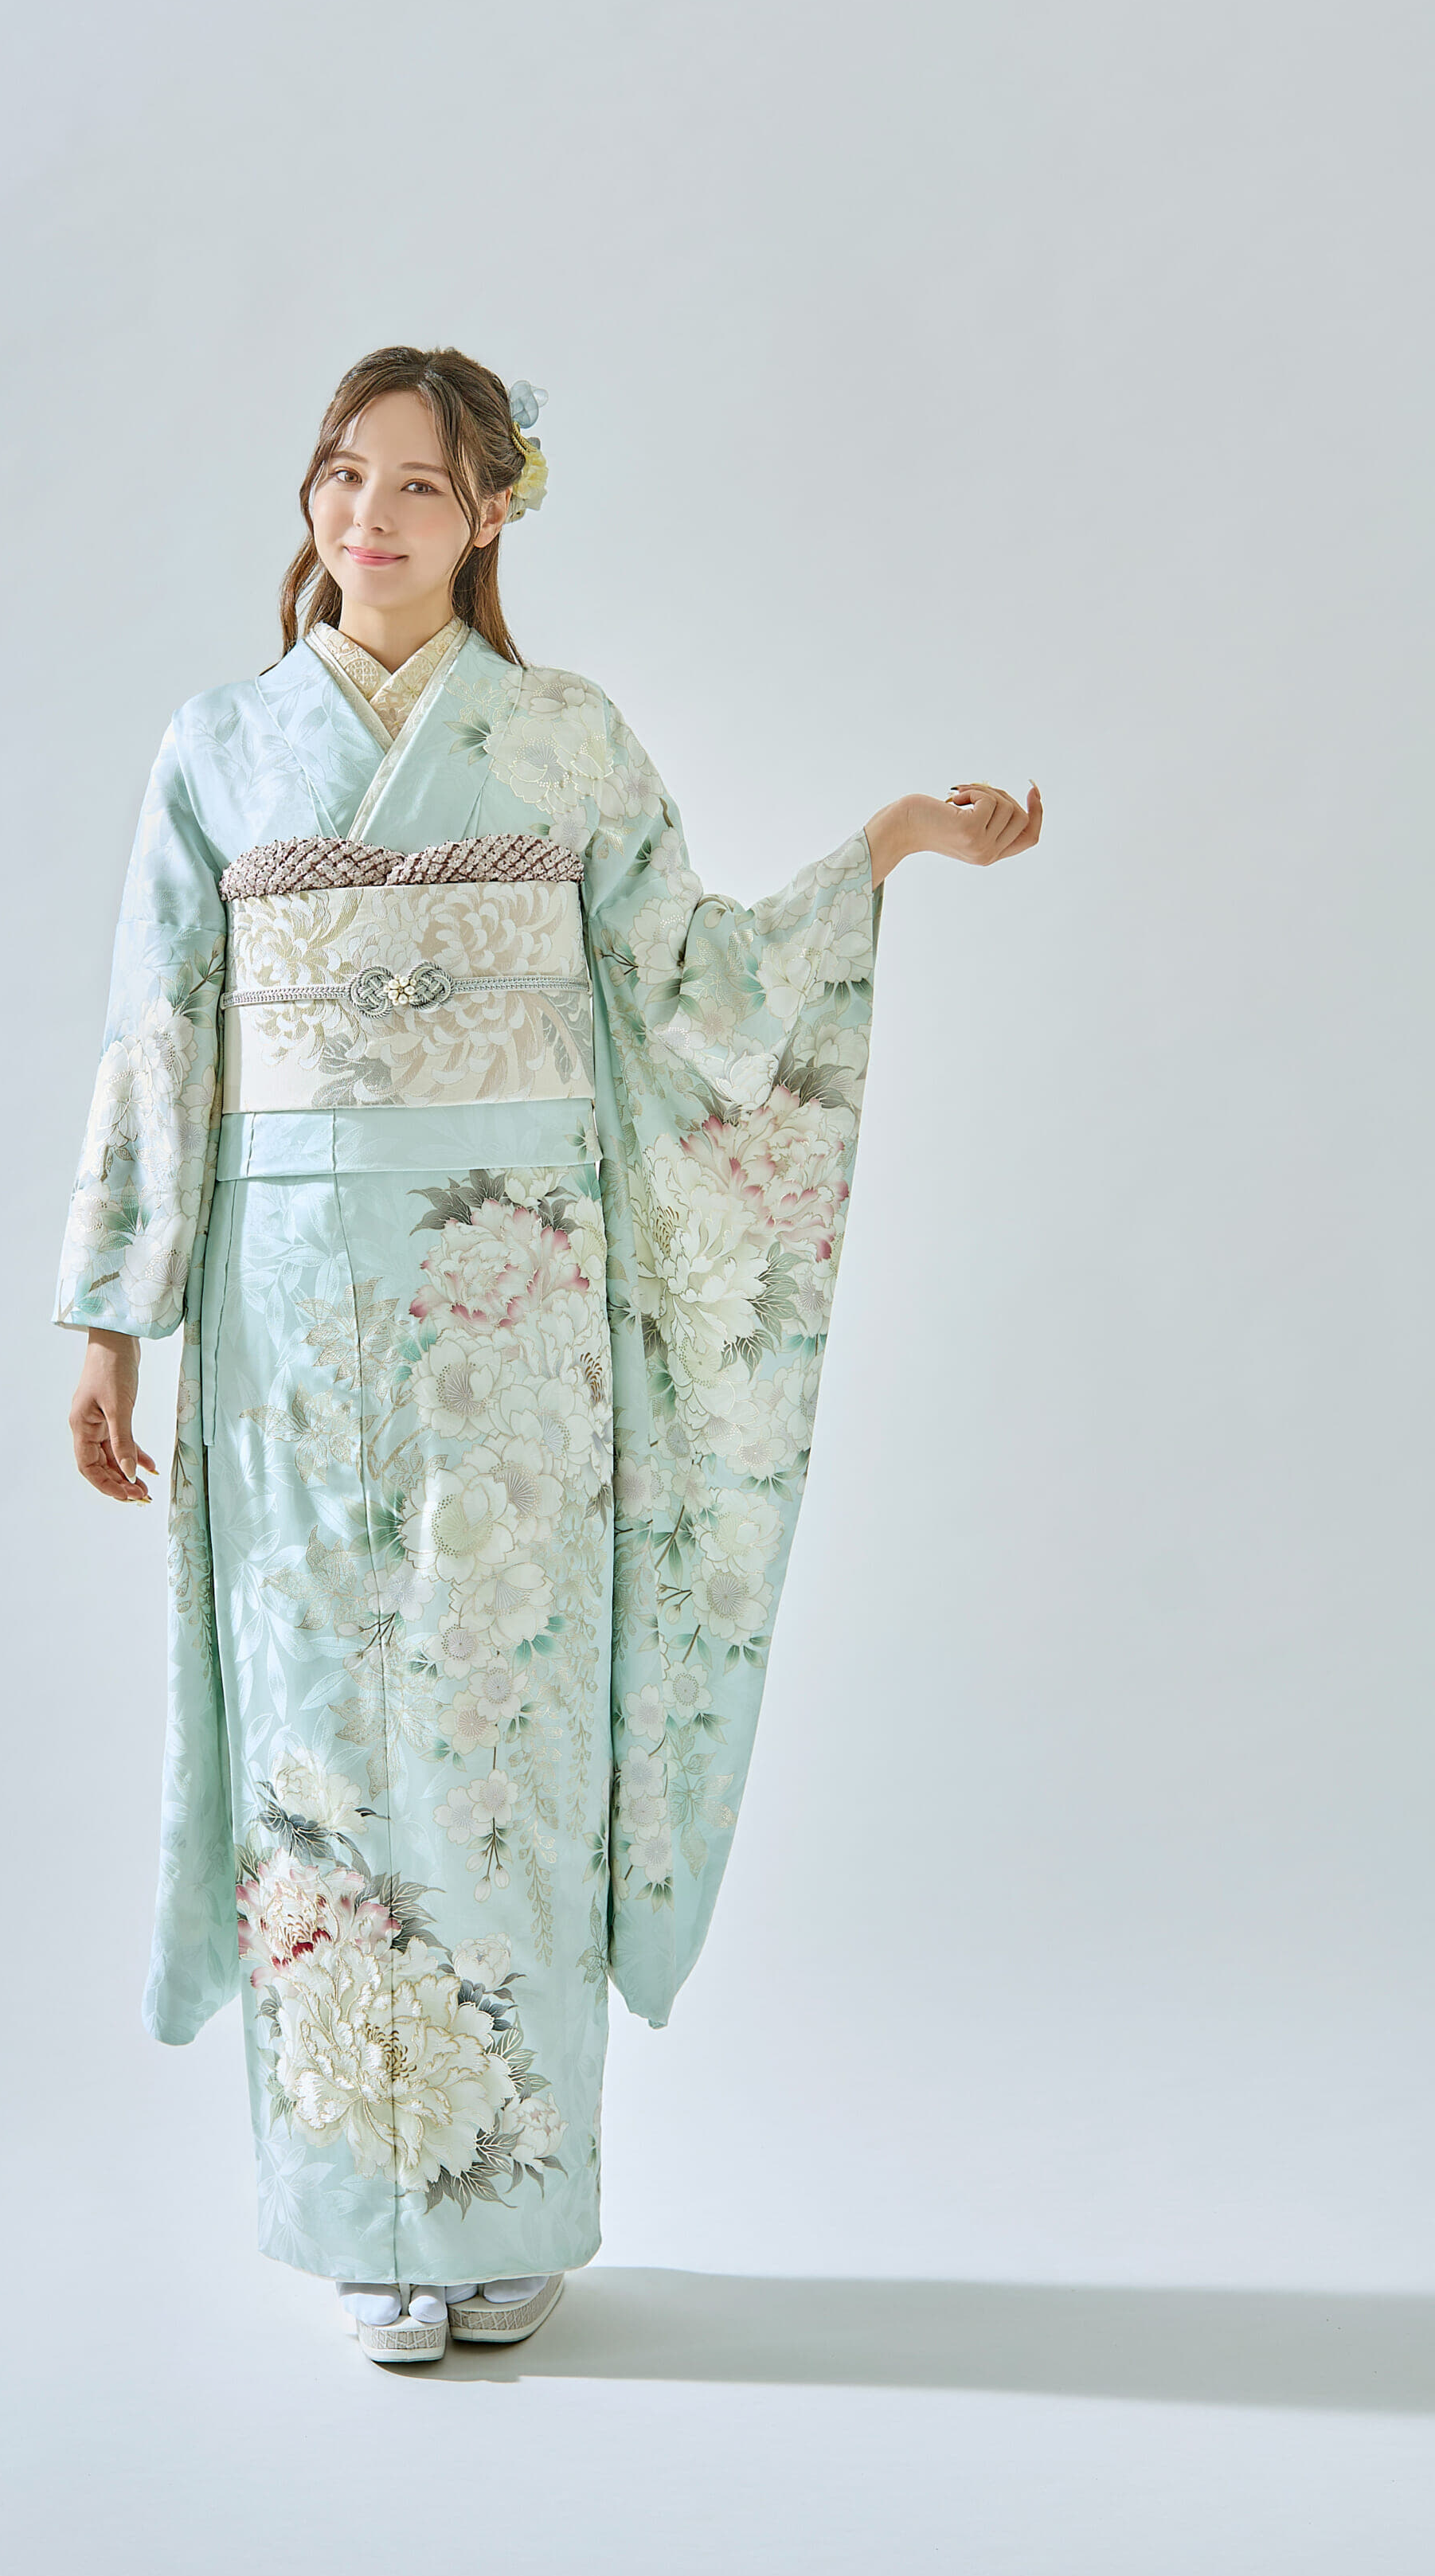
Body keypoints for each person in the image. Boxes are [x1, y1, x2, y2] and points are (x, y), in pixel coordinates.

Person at [58, 346, 1040, 2365]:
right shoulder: (219, 746)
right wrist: (108, 1323)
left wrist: (878, 849)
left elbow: (693, 989)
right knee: (321, 1730)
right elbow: (158, 1028)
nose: (369, 518)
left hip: (517, 1307)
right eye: (343, 476)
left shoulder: (564, 739)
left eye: (419, 486)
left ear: (491, 512)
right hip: (286, 1313)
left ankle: (506, 2197)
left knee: (500, 1720)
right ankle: (359, 2217)